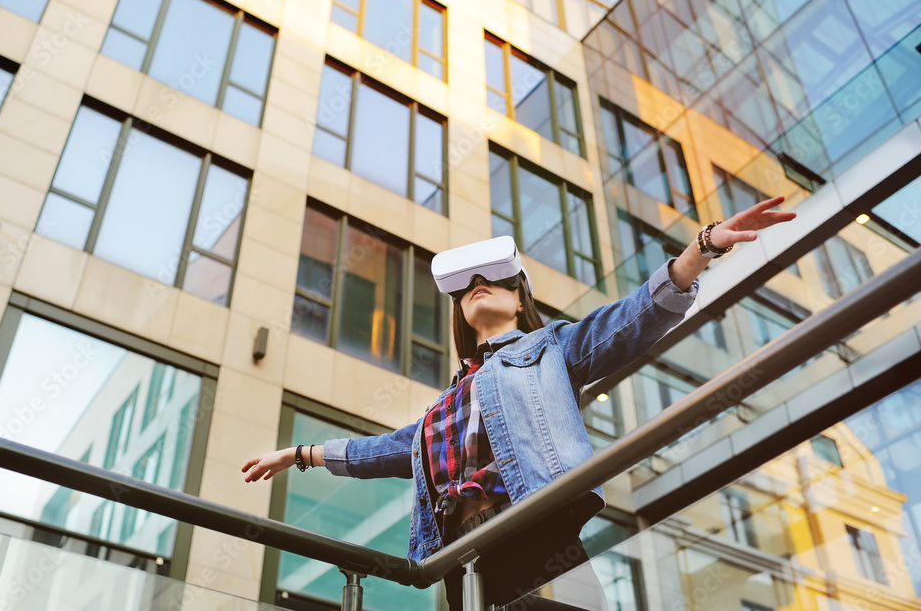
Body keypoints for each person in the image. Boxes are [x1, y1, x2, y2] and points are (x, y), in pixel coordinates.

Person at [242, 196, 796, 609]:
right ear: (458, 309)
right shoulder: (445, 408)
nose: (479, 284)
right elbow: (390, 450)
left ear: (520, 296)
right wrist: (301, 454)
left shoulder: (549, 348)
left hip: (537, 537)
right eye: (468, 285)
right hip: (461, 559)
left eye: (496, 278)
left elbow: (633, 319)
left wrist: (701, 249)